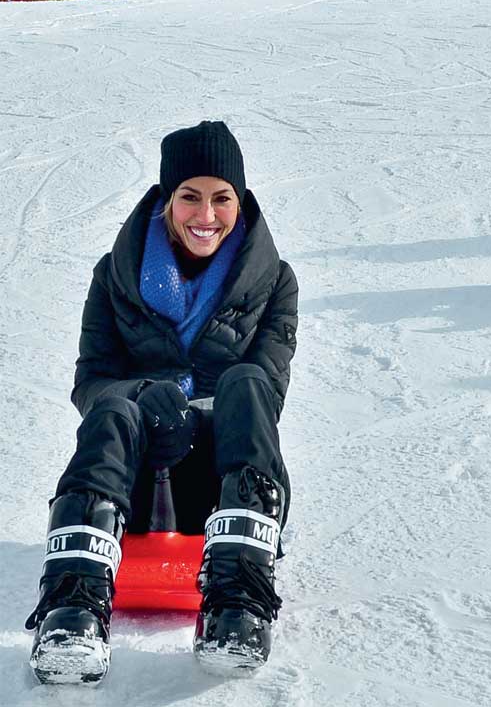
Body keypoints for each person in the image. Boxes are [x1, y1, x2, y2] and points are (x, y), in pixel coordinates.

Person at [24, 121, 299, 684]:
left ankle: (238, 599)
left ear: (239, 201)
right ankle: (72, 606)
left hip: (224, 483)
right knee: (113, 407)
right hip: (135, 476)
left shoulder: (275, 283)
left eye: (222, 197)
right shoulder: (115, 276)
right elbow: (93, 379)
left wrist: (198, 407)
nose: (206, 214)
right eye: (190, 196)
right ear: (167, 199)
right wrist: (145, 397)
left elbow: (268, 391)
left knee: (246, 381)